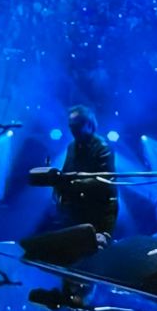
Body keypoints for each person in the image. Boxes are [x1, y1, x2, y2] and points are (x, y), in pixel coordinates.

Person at [54, 105, 118, 246]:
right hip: (77, 212)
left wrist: (72, 183)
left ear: (89, 124)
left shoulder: (102, 147)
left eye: (76, 125)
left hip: (98, 213)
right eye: (71, 126)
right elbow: (67, 172)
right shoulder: (72, 146)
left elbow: (105, 181)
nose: (73, 130)